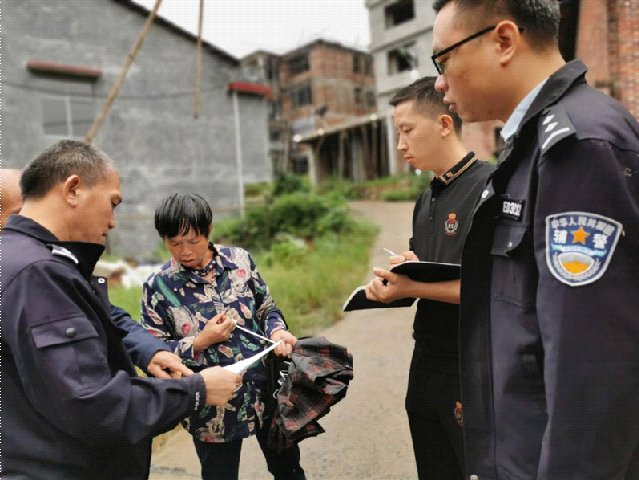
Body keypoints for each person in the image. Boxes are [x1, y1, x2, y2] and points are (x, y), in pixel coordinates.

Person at [431, 1, 639, 478]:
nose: (440, 82)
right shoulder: (530, 143)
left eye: (443, 61)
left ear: (504, 41)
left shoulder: (578, 145)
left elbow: (594, 372)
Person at [1, 140, 241, 479]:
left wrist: (150, 351)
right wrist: (197, 390)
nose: (113, 221)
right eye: (112, 203)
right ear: (73, 189)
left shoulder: (38, 261)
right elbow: (93, 404)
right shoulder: (37, 273)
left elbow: (105, 315)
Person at [364, 76, 494, 479]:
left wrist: (414, 286)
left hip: (469, 361)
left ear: (443, 124)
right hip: (426, 358)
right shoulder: (427, 198)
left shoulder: (489, 186)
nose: (400, 144)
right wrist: (399, 277)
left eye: (407, 131)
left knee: (472, 467)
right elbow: (430, 266)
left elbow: (490, 287)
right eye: (397, 133)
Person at [141, 193, 306, 480]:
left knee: (288, 469)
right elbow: (154, 353)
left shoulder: (240, 261)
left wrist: (277, 330)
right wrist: (201, 341)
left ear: (209, 231)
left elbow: (266, 307)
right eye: (174, 243)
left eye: (193, 241)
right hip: (212, 410)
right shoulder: (158, 287)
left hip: (267, 392)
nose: (185, 251)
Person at [0, 168, 188, 381]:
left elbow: (101, 311)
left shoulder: (50, 261)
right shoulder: (29, 272)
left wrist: (151, 351)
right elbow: (81, 392)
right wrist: (193, 392)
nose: (33, 221)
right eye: (20, 214)